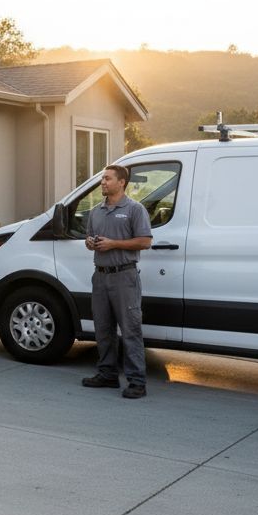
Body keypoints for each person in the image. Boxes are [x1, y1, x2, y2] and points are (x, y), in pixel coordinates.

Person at [81, 163, 154, 398]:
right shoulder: (96, 211)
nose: (103, 182)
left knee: (130, 330)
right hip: (100, 277)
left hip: (125, 276)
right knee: (103, 329)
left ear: (121, 182)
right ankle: (107, 375)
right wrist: (90, 243)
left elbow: (144, 241)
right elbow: (88, 238)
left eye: (107, 179)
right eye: (102, 179)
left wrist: (114, 244)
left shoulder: (135, 209)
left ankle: (137, 382)